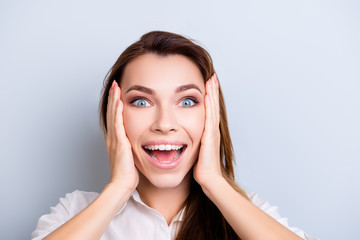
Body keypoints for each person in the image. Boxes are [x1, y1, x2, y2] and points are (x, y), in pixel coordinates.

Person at [32, 31, 318, 240]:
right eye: (141, 102)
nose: (165, 123)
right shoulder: (74, 211)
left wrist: (214, 182)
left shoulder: (249, 212)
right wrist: (118, 189)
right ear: (115, 114)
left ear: (211, 114)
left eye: (188, 101)